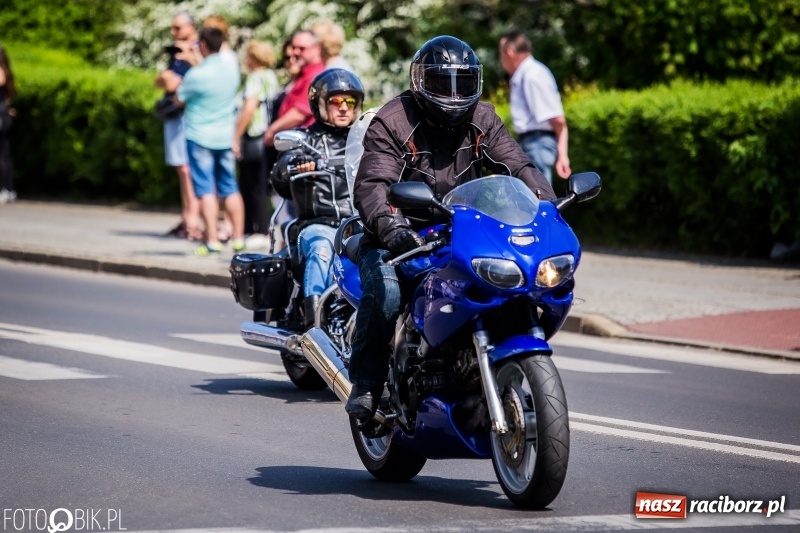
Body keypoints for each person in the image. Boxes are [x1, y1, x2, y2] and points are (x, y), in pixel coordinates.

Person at [344, 35, 557, 421]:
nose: (455, 96)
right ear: (421, 83)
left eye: (463, 83)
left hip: (462, 227)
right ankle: (367, 383)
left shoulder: (483, 119)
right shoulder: (393, 121)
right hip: (402, 232)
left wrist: (546, 204)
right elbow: (373, 184)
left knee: (511, 282)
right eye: (444, 84)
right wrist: (390, 227)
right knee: (388, 291)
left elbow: (519, 166)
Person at [271, 68, 364, 324]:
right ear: (320, 103)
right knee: (322, 249)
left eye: (350, 101)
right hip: (317, 225)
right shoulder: (306, 140)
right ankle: (315, 324)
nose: (344, 108)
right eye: (336, 101)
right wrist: (295, 162)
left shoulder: (365, 140)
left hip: (358, 225)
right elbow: (280, 174)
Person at [173, 26, 245, 256]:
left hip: (199, 137)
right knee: (230, 187)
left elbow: (178, 99)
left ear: (202, 44)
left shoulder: (197, 74)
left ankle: (212, 240)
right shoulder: (231, 67)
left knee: (205, 190)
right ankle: (238, 238)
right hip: (224, 136)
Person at [498, 30, 571, 184]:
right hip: (530, 143)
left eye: (501, 54)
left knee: (538, 197)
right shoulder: (525, 74)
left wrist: (563, 155)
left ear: (510, 53)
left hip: (537, 143)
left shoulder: (532, 75)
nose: (501, 60)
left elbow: (557, 120)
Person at [154, 11, 201, 239]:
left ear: (191, 27)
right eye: (173, 28)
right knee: (181, 169)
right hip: (175, 112)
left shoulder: (197, 50)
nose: (175, 33)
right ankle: (186, 217)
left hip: (190, 114)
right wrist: (165, 79)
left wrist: (178, 81)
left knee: (188, 169)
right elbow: (162, 81)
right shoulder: (176, 51)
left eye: (178, 28)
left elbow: (202, 79)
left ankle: (194, 221)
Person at [232, 40, 280, 250]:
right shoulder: (271, 76)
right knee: (261, 184)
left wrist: (235, 136)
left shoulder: (255, 77)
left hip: (254, 137)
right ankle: (262, 228)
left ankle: (257, 230)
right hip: (268, 137)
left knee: (251, 185)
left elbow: (249, 107)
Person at [263, 30, 326, 147]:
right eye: (294, 47)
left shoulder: (315, 75)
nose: (295, 52)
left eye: (302, 48)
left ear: (316, 49)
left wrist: (272, 130)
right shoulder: (305, 73)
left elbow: (299, 114)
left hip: (303, 144)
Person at [0, 45, 16, 204]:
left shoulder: (1, 72)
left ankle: (6, 188)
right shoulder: (6, 71)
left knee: (2, 155)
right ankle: (7, 188)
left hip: (1, 116)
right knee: (4, 154)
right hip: (4, 114)